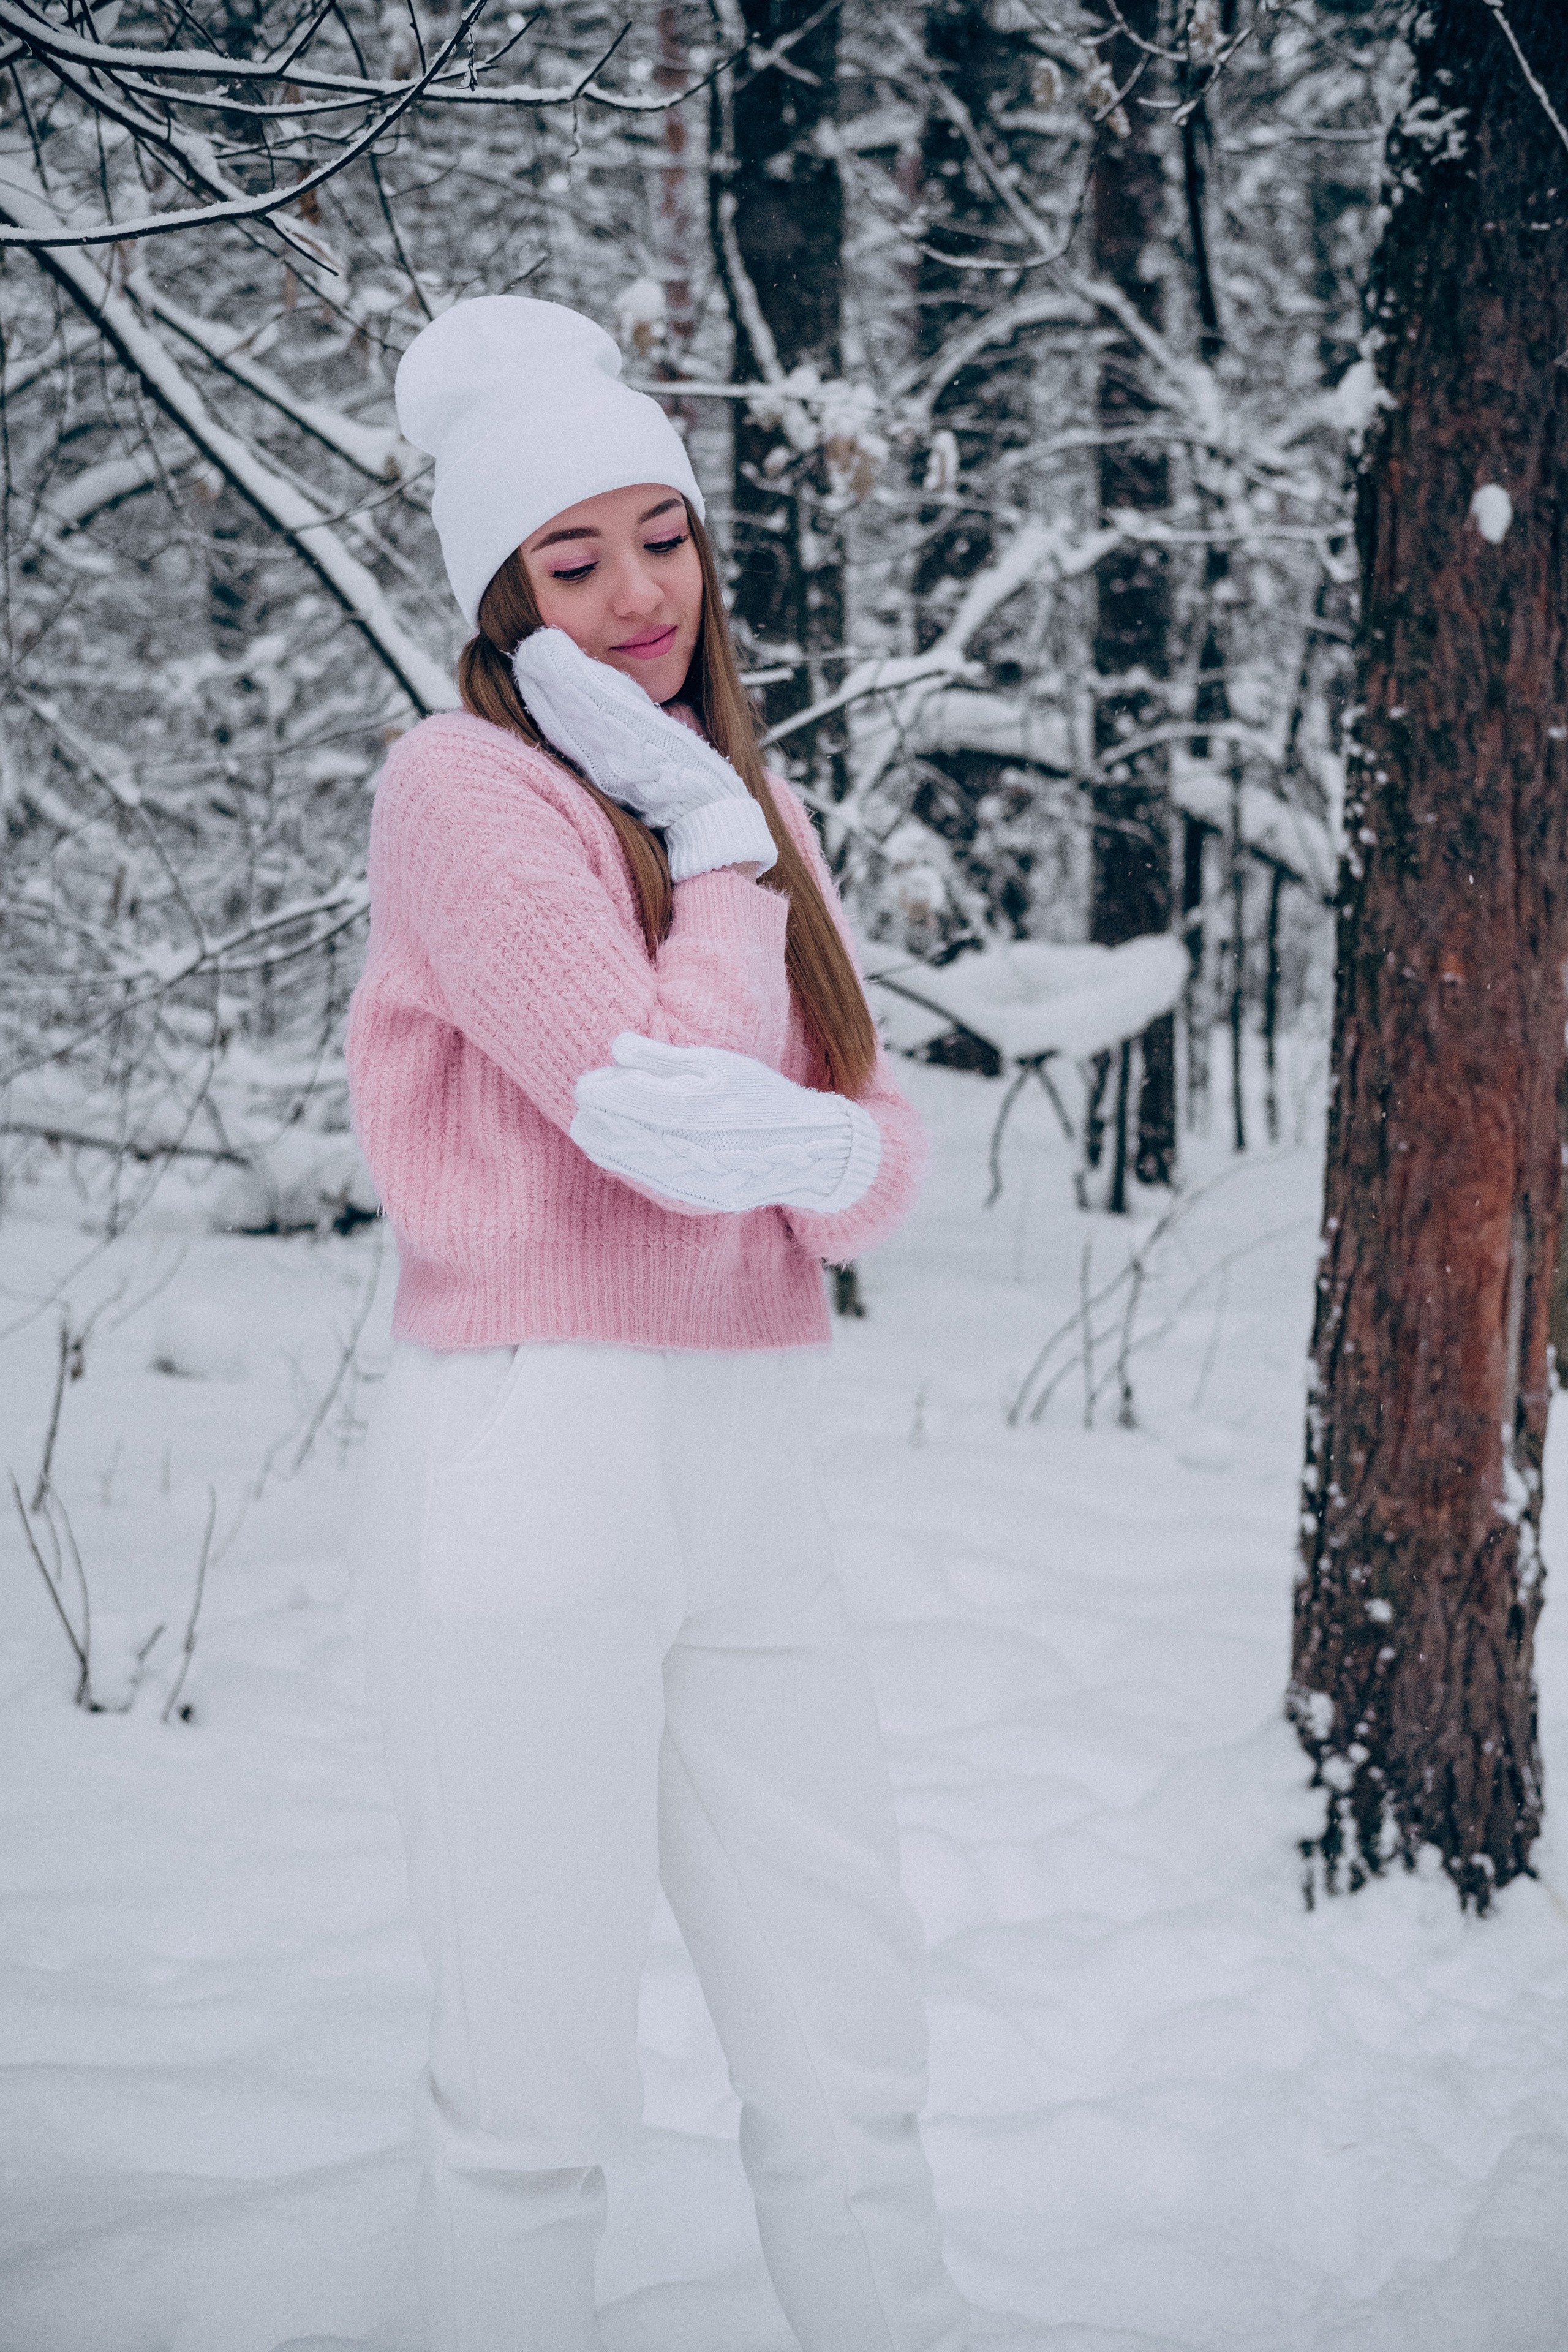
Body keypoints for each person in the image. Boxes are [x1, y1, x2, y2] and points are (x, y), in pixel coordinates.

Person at [346, 294, 966, 2352]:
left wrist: (726, 856)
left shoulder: (736, 802)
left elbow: (874, 1150)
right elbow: (646, 1117)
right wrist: (713, 859)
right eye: (571, 558)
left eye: (663, 538)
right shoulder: (467, 788)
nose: (634, 596)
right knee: (531, 2087)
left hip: (749, 1460)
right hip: (542, 1446)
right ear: (499, 596)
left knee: (849, 2049)